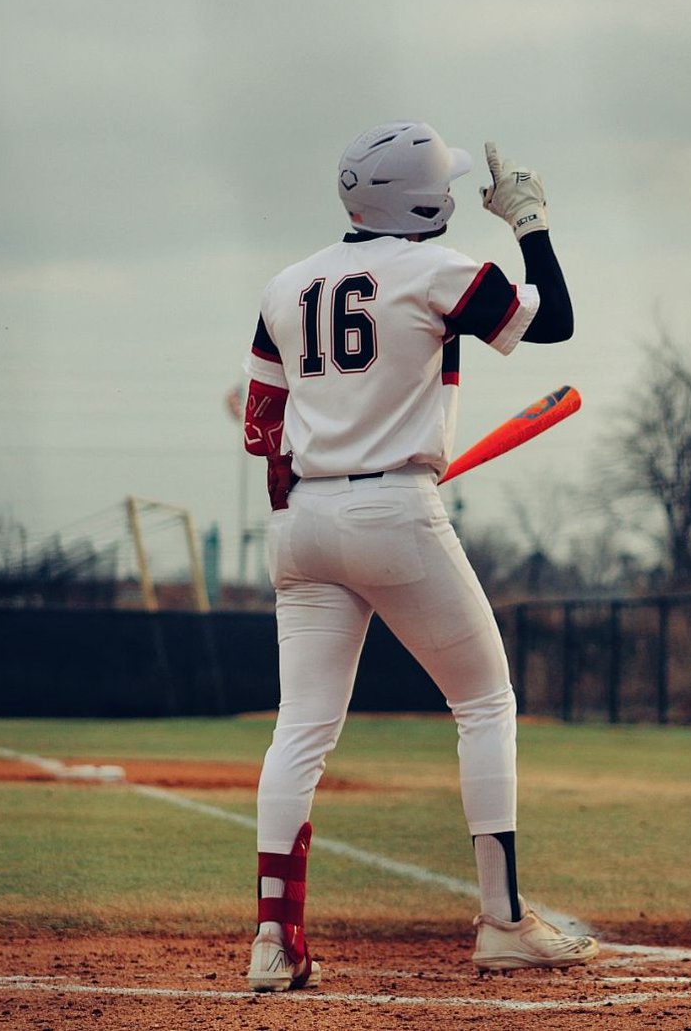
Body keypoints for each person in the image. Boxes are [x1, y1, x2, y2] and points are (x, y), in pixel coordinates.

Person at [241, 120, 599, 992]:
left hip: (301, 518)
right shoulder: (438, 271)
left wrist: (309, 509)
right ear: (426, 200)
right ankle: (505, 923)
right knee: (485, 699)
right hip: (395, 508)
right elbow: (553, 323)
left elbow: (263, 429)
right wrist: (531, 226)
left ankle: (273, 942)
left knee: (301, 729)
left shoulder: (286, 286)